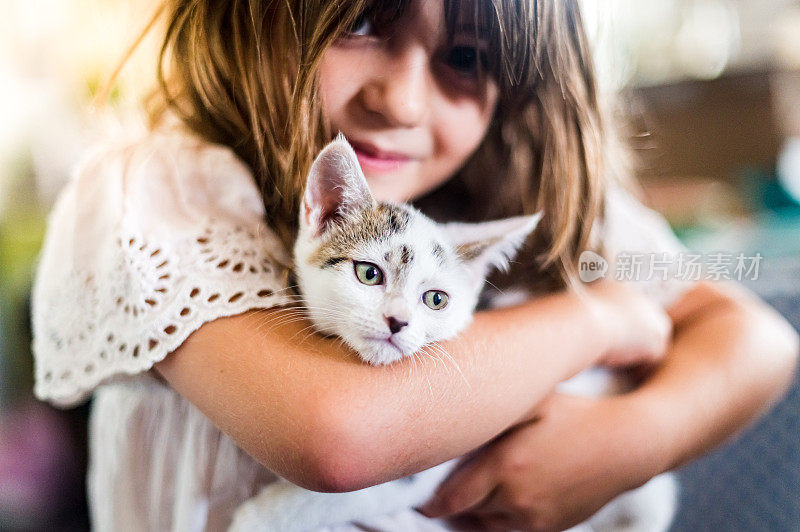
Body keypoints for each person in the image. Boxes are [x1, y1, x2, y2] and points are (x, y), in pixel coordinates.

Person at [31, 1, 799, 531]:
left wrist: (634, 440)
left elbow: (760, 340)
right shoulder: (155, 191)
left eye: (465, 56)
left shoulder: (546, 208)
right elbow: (340, 438)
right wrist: (597, 317)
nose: (400, 100)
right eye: (362, 20)